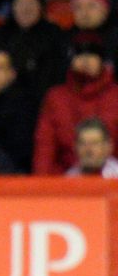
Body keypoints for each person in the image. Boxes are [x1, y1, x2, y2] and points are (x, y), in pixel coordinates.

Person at [33, 33, 118, 174]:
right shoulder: (55, 97)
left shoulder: (115, 95)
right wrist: (44, 185)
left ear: (102, 61)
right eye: (79, 55)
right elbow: (45, 147)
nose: (85, 60)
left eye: (92, 55)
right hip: (65, 183)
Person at [0, 0, 68, 100]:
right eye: (21, 3)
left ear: (40, 7)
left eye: (31, 3)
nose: (26, 9)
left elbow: (57, 76)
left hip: (40, 101)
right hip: (0, 100)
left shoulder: (54, 36)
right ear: (13, 7)